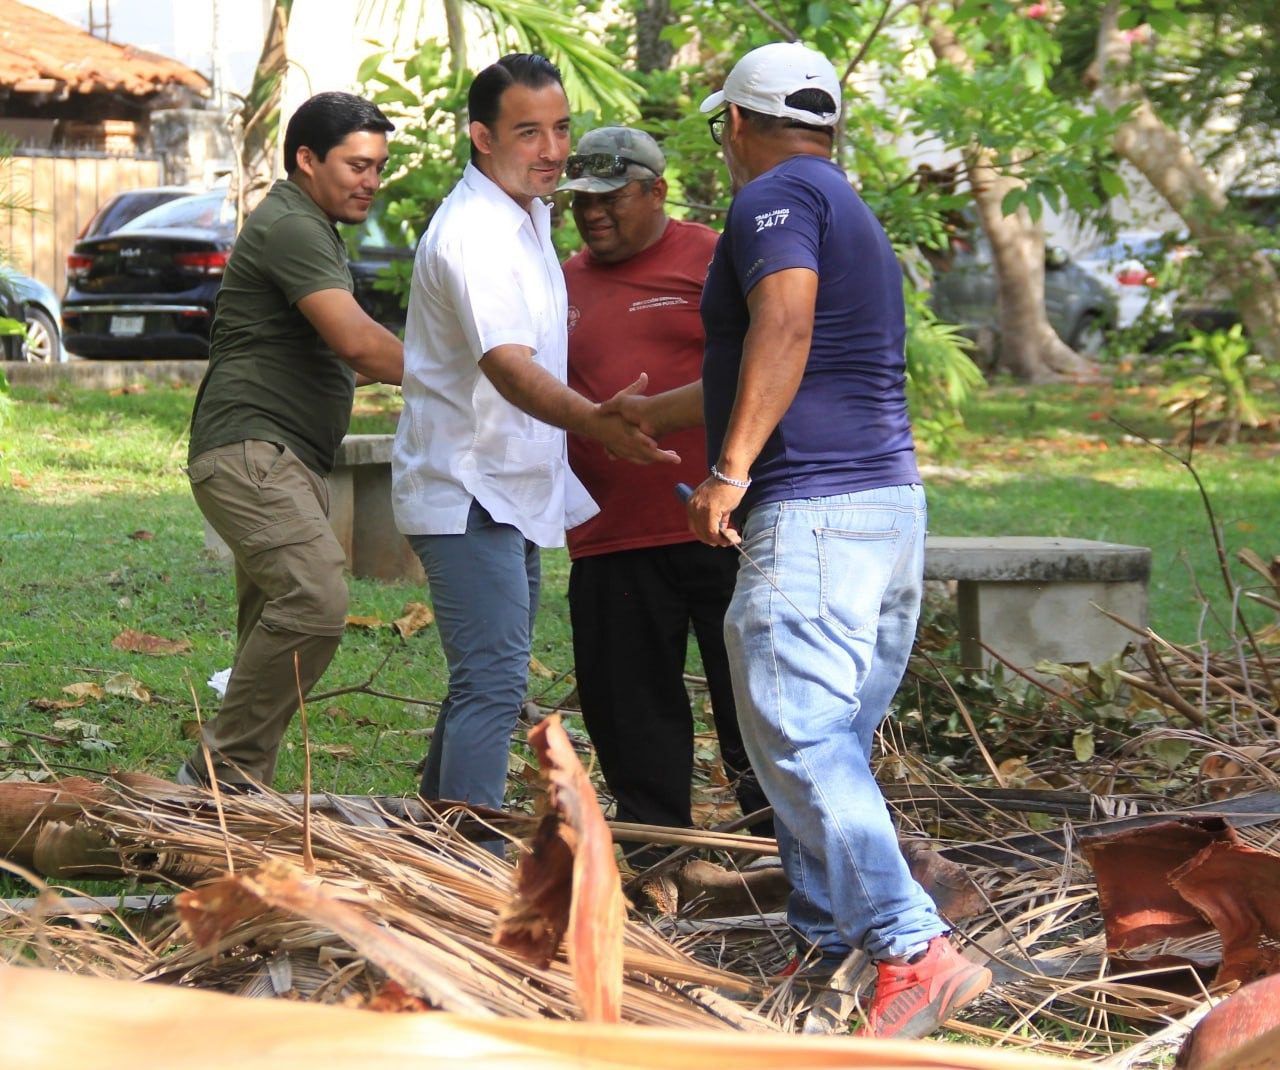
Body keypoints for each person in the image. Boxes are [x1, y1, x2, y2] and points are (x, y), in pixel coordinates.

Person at [629, 43, 992, 1038]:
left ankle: (912, 949)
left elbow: (783, 329)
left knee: (795, 732)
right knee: (818, 745)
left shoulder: (769, 199)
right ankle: (828, 941)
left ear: (737, 124)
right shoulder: (849, 208)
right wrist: (661, 416)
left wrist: (729, 470)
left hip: (815, 513)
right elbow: (794, 352)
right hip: (883, 510)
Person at [391, 56, 677, 834]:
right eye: (528, 132)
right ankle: (472, 858)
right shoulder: (473, 235)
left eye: (560, 128)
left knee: (480, 679)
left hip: (508, 481)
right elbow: (509, 368)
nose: (552, 150)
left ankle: (438, 836)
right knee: (493, 681)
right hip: (466, 486)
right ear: (481, 137)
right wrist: (597, 422)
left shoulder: (525, 211)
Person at [557, 126, 769, 860]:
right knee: (630, 713)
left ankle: (775, 855)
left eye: (610, 198)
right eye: (580, 201)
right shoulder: (562, 282)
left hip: (719, 523)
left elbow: (763, 365)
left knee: (755, 706)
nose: (591, 214)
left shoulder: (714, 257)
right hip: (609, 535)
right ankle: (661, 862)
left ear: (656, 190)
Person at [182, 92, 404, 790]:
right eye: (357, 165)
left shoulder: (312, 224)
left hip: (287, 458)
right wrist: (487, 376)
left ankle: (234, 808)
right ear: (307, 159)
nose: (370, 180)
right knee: (315, 601)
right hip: (252, 451)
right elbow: (359, 344)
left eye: (379, 167)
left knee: (270, 635)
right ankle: (215, 779)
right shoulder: (294, 226)